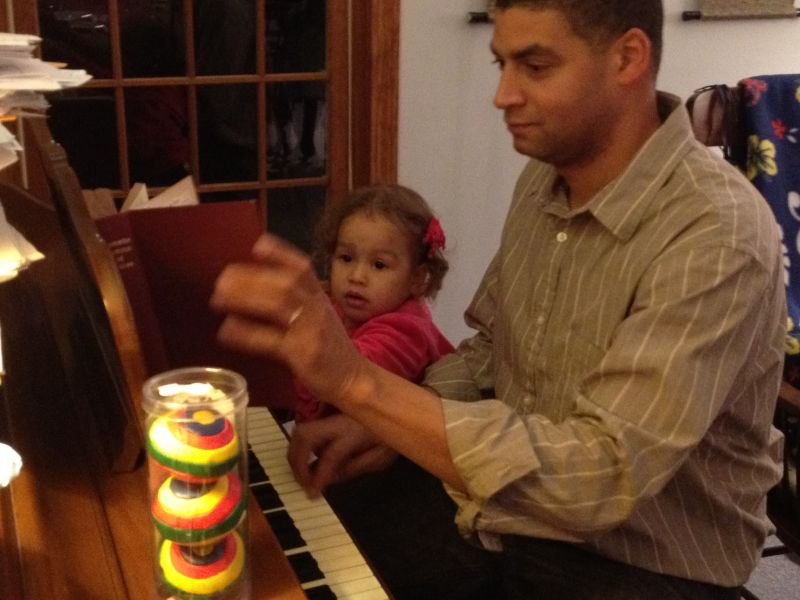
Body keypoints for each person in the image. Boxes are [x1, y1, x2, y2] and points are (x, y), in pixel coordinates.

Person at [211, 1, 786, 598]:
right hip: (511, 515)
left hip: (644, 561)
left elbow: (602, 477)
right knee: (291, 534)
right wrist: (386, 424)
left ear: (627, 58)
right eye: (501, 65)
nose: (503, 95)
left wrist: (359, 383)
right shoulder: (544, 179)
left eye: (534, 67)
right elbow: (493, 347)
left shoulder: (716, 231)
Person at [294, 183, 454, 421]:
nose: (356, 276)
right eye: (346, 258)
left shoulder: (407, 332)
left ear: (416, 279)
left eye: (379, 265)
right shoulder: (340, 304)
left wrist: (293, 328)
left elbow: (351, 374)